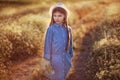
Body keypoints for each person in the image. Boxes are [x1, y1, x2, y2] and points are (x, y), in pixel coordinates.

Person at [43, 3, 74, 80]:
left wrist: (70, 55)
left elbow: (70, 43)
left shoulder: (68, 29)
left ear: (65, 16)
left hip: (66, 58)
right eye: (55, 16)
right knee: (57, 77)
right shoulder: (51, 29)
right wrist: (47, 59)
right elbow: (47, 44)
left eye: (60, 16)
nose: (57, 18)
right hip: (55, 58)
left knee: (63, 75)